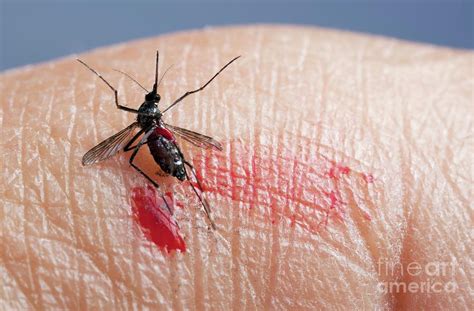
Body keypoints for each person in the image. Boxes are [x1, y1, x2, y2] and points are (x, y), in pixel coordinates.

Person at [1, 25, 471, 309]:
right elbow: (133, 124)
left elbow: (137, 116)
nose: (150, 103)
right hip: (160, 143)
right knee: (143, 150)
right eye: (152, 102)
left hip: (158, 144)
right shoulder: (155, 121)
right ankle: (173, 182)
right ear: (152, 108)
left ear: (147, 110)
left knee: (140, 151)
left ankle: (172, 182)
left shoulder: (149, 122)